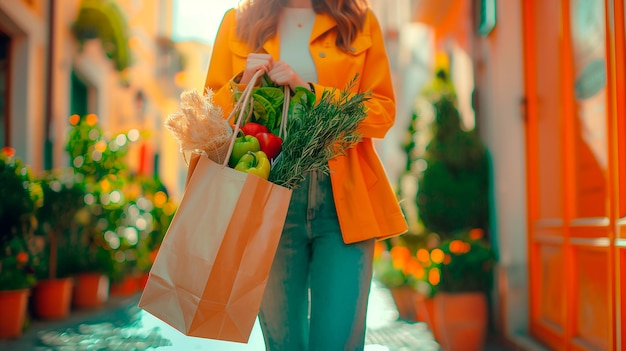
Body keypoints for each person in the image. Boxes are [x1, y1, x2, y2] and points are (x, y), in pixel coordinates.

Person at [202, 0, 408, 350]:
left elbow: (382, 112)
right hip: (267, 203)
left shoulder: (359, 22)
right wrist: (242, 83)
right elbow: (208, 119)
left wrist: (308, 90)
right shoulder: (237, 23)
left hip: (345, 207)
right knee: (284, 345)